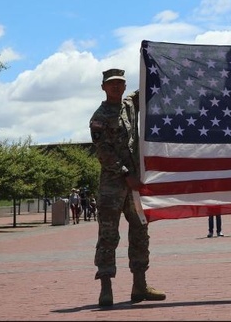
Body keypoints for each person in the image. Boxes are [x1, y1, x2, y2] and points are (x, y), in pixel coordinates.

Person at [89, 69, 166, 307]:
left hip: (134, 185)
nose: (116, 87)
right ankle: (106, 289)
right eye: (111, 84)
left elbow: (147, 89)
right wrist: (125, 174)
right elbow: (104, 153)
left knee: (140, 232)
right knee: (108, 236)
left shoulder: (129, 104)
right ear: (103, 87)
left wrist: (157, 61)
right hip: (112, 185)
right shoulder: (99, 116)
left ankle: (139, 286)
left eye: (120, 83)